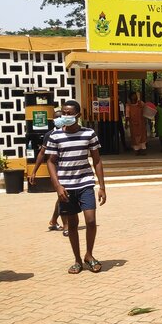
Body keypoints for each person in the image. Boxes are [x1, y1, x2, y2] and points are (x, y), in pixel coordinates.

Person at [44, 100, 107, 274]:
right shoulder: (55, 136)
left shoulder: (89, 134)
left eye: (70, 113)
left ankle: (89, 254)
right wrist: (57, 186)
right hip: (66, 186)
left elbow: (97, 159)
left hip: (85, 183)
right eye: (64, 113)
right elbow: (50, 161)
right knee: (72, 224)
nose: (66, 116)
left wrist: (102, 186)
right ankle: (78, 260)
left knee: (91, 221)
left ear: (78, 115)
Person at [28, 110, 67, 232]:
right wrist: (34, 171)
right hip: (56, 170)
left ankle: (54, 220)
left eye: (61, 117)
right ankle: (66, 226)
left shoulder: (70, 133)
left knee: (63, 196)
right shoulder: (50, 135)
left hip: (68, 169)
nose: (59, 119)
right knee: (64, 196)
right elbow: (42, 153)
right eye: (57, 117)